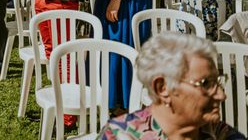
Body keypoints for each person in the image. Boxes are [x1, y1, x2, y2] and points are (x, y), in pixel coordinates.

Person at [99, 32, 245, 139]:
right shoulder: (118, 136)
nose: (221, 95)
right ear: (163, 88)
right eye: (206, 84)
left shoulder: (222, 135)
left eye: (218, 82)